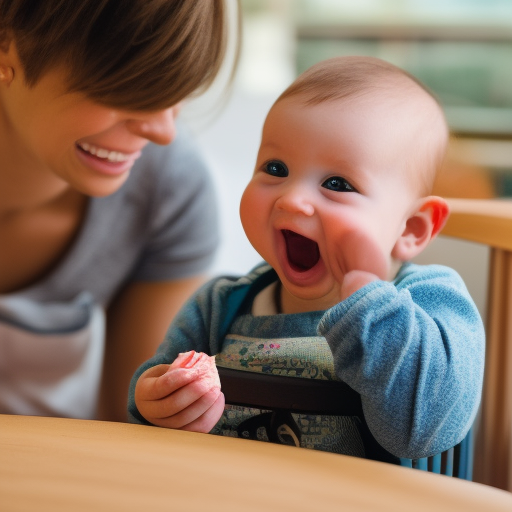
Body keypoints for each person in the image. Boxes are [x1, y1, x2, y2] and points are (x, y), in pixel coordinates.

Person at [128, 56, 485, 460]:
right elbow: (150, 419)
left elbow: (422, 433)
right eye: (276, 167)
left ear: (411, 229)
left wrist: (369, 301)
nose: (293, 198)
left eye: (337, 183)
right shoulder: (220, 306)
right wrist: (156, 398)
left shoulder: (432, 303)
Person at [0, 0, 240, 422]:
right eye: (129, 88)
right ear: (6, 43)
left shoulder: (168, 186)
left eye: (174, 93)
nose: (163, 130)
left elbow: (137, 428)